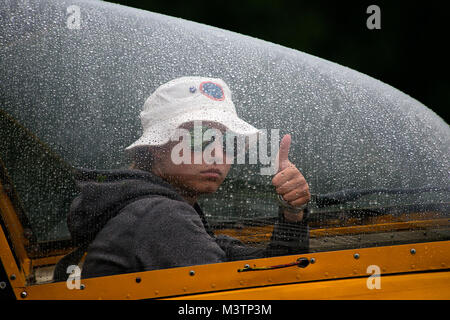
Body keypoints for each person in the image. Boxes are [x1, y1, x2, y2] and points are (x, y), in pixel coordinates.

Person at [66, 76, 311, 278]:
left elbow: (280, 273)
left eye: (228, 142)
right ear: (156, 148)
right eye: (197, 138)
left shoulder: (158, 210)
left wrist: (292, 211)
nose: (217, 154)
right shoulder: (161, 215)